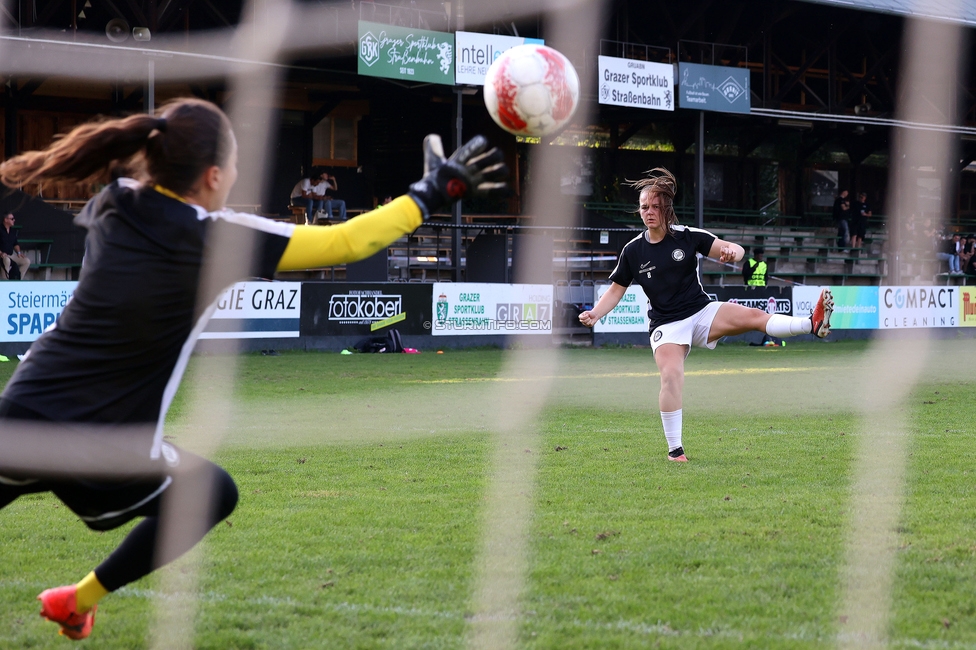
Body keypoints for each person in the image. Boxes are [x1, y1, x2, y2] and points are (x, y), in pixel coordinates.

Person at [0, 97, 506, 640]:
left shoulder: (116, 203)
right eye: (237, 165)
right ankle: (78, 600)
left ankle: (75, 602)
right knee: (212, 494)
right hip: (106, 440)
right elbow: (348, 241)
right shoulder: (217, 238)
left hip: (26, 406)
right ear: (214, 175)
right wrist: (431, 193)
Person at [578, 168, 833, 463]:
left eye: (655, 207)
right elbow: (615, 290)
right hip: (666, 325)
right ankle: (675, 451)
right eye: (644, 207)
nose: (649, 212)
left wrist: (730, 253)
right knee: (671, 376)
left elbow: (735, 249)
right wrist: (595, 314)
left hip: (701, 312)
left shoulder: (687, 237)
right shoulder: (633, 251)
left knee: (753, 315)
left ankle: (811, 324)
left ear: (666, 210)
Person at [0, 212, 31, 280]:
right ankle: (6, 281)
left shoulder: (12, 231)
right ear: (6, 220)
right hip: (2, 256)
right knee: (6, 260)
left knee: (26, 261)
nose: (14, 220)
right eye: (12, 219)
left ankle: (18, 279)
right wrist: (1, 253)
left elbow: (15, 244)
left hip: (10, 255)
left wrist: (19, 253)